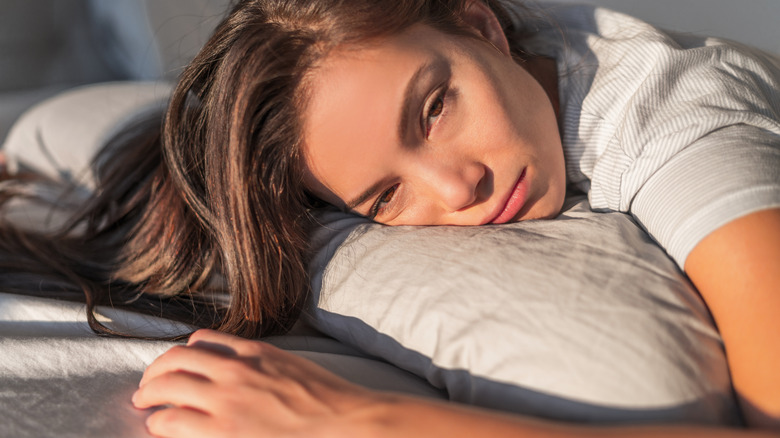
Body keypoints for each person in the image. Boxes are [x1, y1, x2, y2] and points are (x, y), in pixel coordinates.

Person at [0, 0, 778, 436]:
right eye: (383, 199)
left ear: (482, 26)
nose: (457, 186)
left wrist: (358, 418)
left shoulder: (689, 126)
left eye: (435, 110)